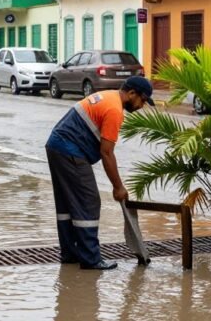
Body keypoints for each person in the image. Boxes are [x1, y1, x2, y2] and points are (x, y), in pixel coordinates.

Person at [45, 76, 155, 270]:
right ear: (131, 93)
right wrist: (118, 187)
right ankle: (90, 258)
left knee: (67, 205)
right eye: (143, 100)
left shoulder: (108, 96)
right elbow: (106, 152)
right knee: (88, 201)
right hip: (71, 151)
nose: (142, 106)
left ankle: (70, 253)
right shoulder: (114, 110)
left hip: (56, 146)